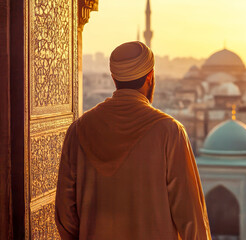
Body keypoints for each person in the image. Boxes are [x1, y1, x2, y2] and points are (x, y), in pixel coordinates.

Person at [55, 41, 211, 240]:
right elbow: (191, 218)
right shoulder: (169, 132)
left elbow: (65, 213)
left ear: (113, 78)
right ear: (150, 77)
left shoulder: (78, 130)